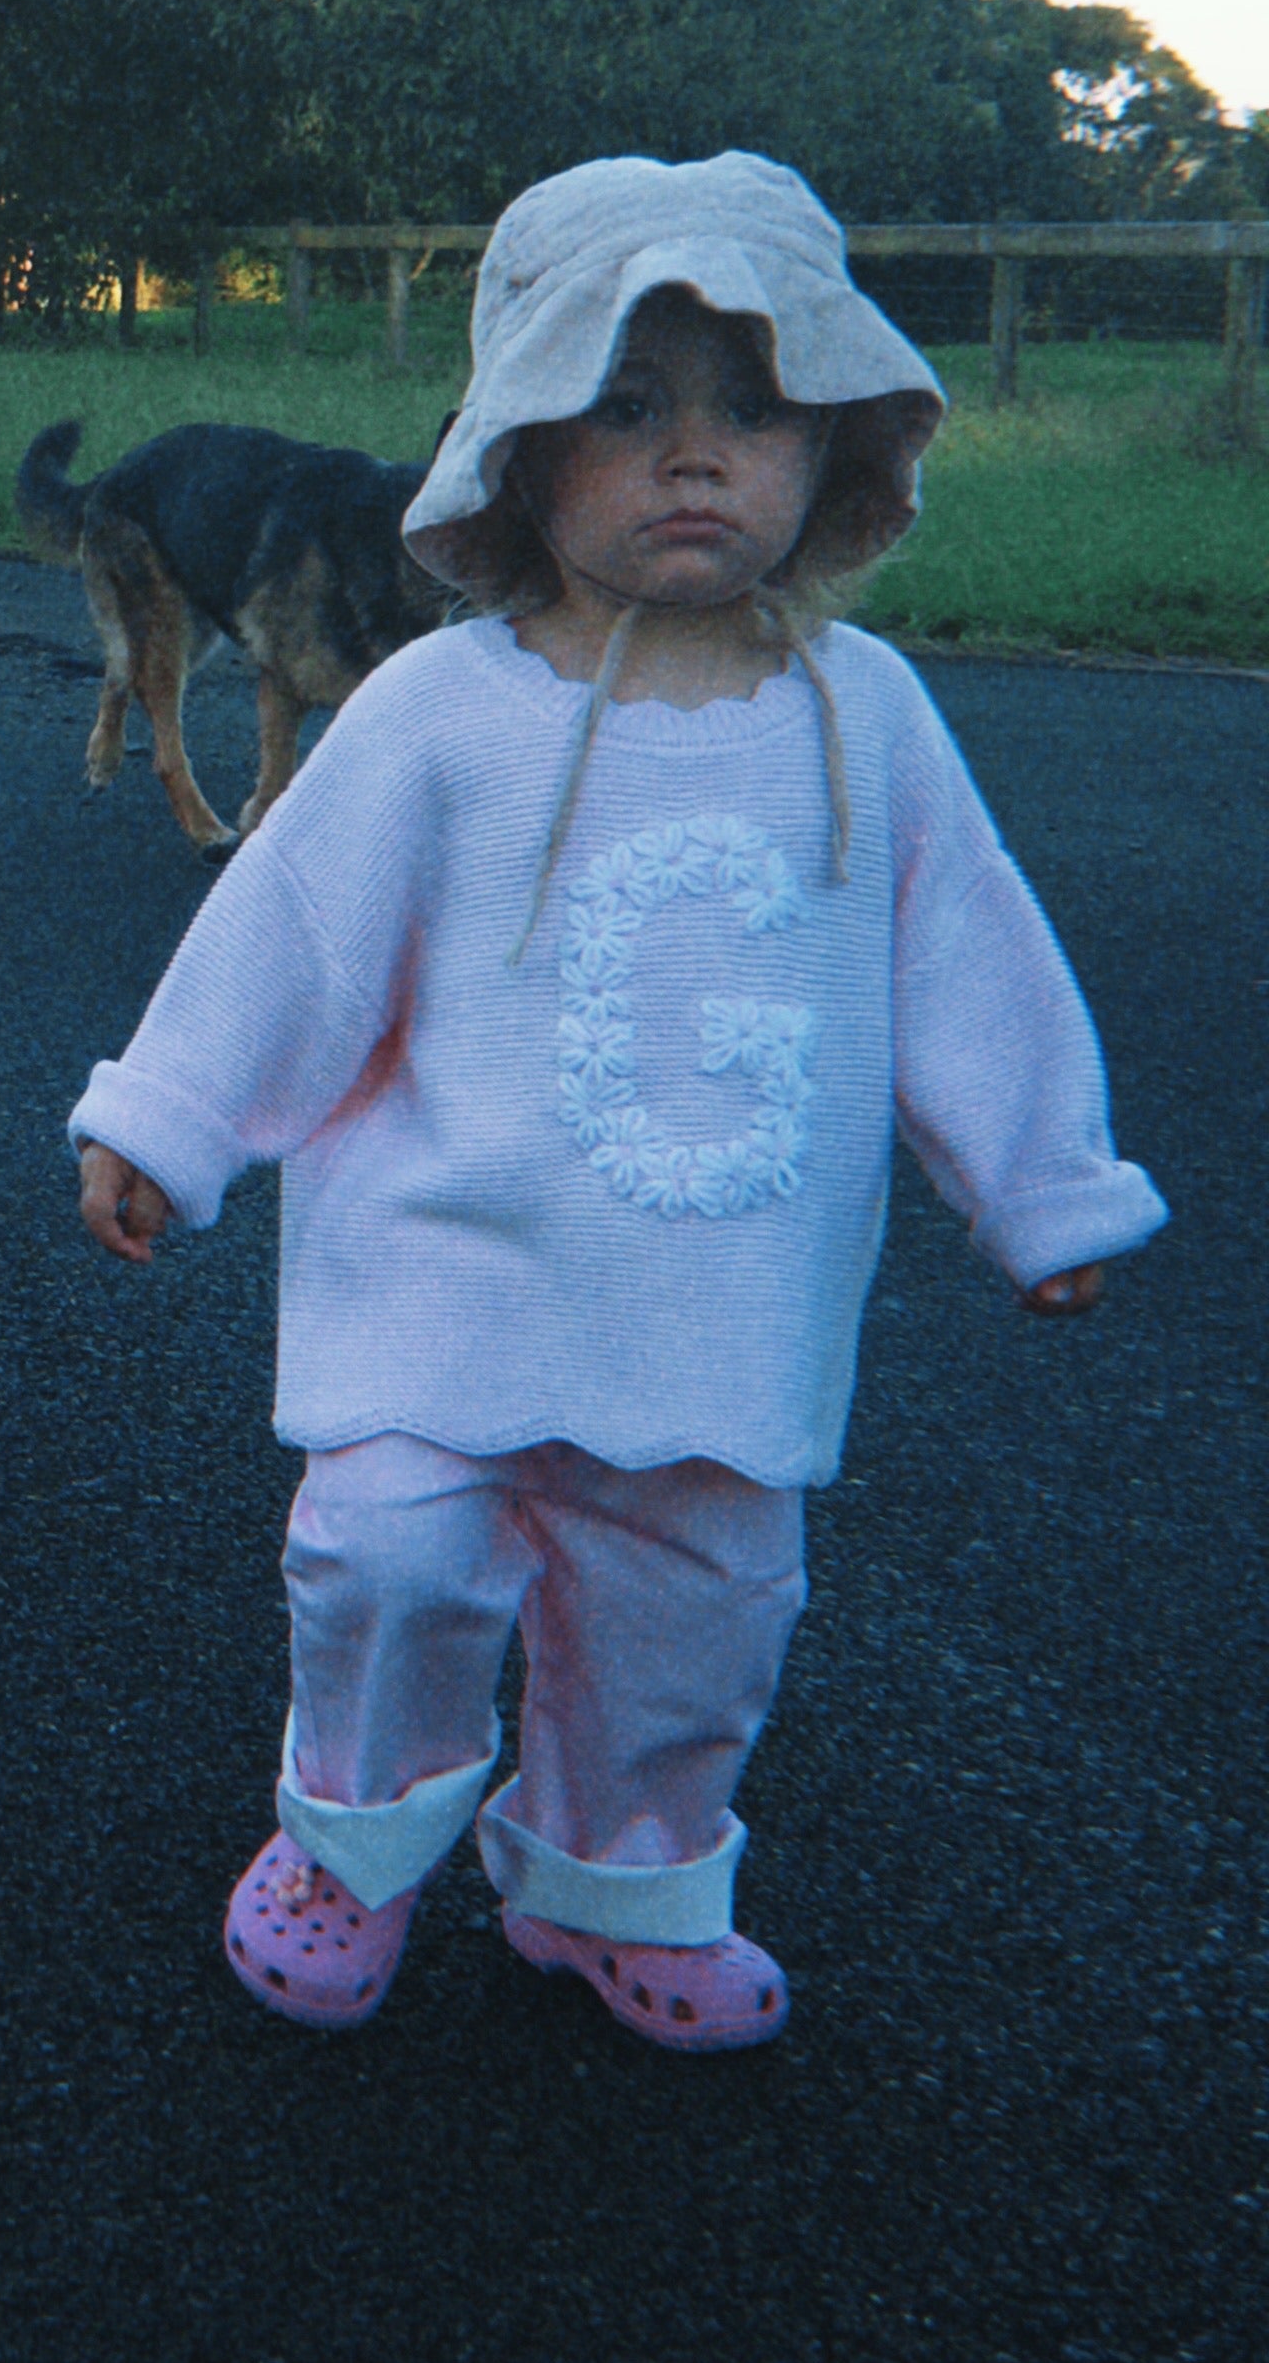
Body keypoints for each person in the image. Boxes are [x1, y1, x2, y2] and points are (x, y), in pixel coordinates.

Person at [70, 150, 1166, 2053]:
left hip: (717, 1313)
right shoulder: (440, 714)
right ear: (516, 446)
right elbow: (293, 930)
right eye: (629, 403)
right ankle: (352, 1841)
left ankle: (613, 1877)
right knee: (387, 1562)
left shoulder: (868, 722)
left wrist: (1043, 1179)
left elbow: (972, 960)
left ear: (841, 445)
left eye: (757, 407)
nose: (696, 454)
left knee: (698, 1613)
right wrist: (169, 1116)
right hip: (443, 1281)